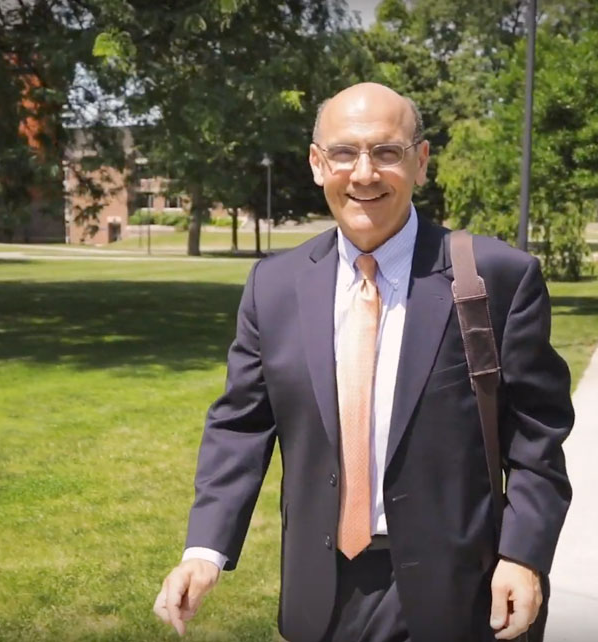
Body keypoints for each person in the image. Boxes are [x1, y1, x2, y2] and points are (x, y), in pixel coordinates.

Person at [152, 82, 574, 642]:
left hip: (461, 593)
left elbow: (536, 437)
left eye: (387, 152)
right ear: (317, 163)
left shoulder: (496, 277)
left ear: (421, 162)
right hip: (322, 594)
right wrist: (204, 549)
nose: (365, 174)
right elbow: (241, 425)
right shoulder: (273, 287)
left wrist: (523, 555)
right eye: (345, 153)